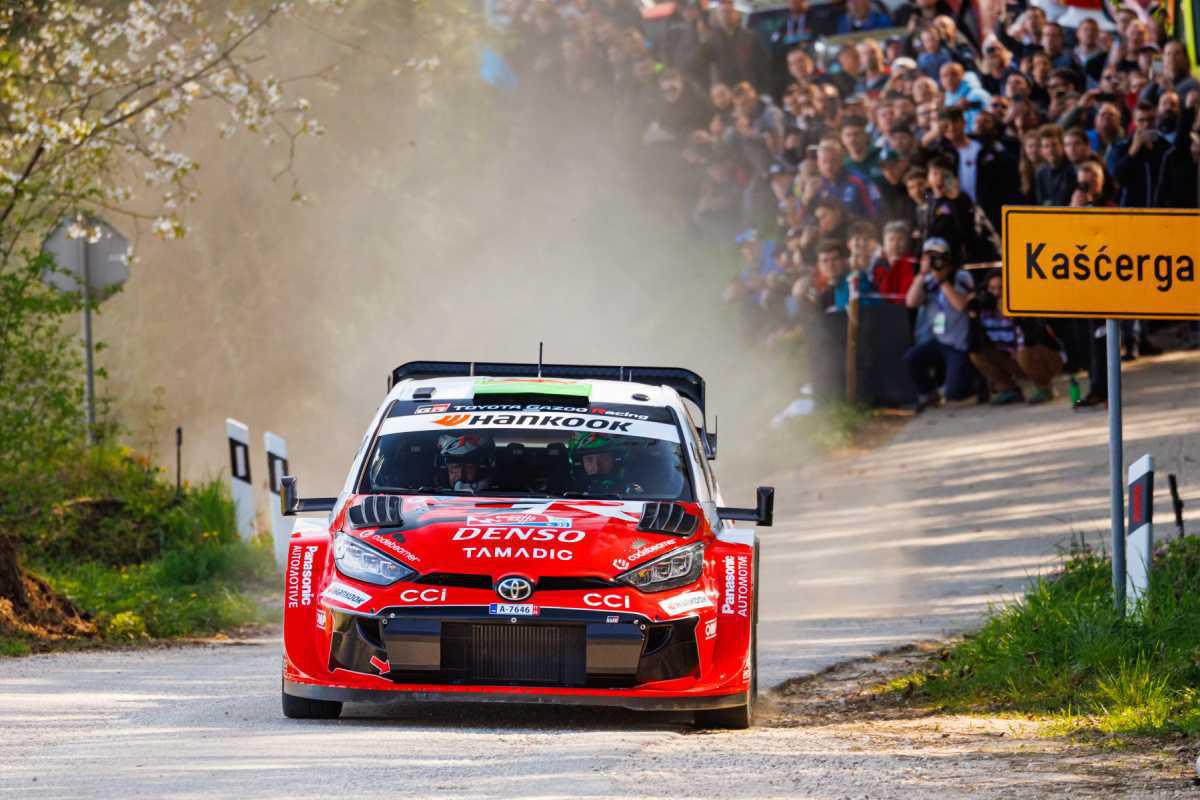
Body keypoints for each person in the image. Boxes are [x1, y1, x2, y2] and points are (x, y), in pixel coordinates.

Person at [967, 270, 1063, 405]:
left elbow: (1033, 338)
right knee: (976, 355)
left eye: (1001, 288)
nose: (996, 293)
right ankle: (1007, 389)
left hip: (1040, 356)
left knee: (1023, 352)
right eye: (992, 289)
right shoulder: (984, 309)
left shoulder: (1021, 304)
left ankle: (1044, 387)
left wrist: (1015, 315)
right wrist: (973, 317)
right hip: (1011, 358)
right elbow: (973, 345)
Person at [904, 237, 976, 409]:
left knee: (954, 395)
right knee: (912, 358)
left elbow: (961, 305)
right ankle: (929, 393)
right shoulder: (927, 280)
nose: (934, 262)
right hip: (939, 341)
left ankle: (970, 385)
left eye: (937, 257)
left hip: (958, 344)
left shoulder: (961, 277)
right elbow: (911, 302)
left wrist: (943, 280)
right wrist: (922, 275)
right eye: (929, 257)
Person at [568, 433, 634, 495]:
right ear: (581, 463)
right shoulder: (567, 492)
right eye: (589, 460)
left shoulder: (631, 491)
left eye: (604, 459)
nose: (597, 467)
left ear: (615, 461)